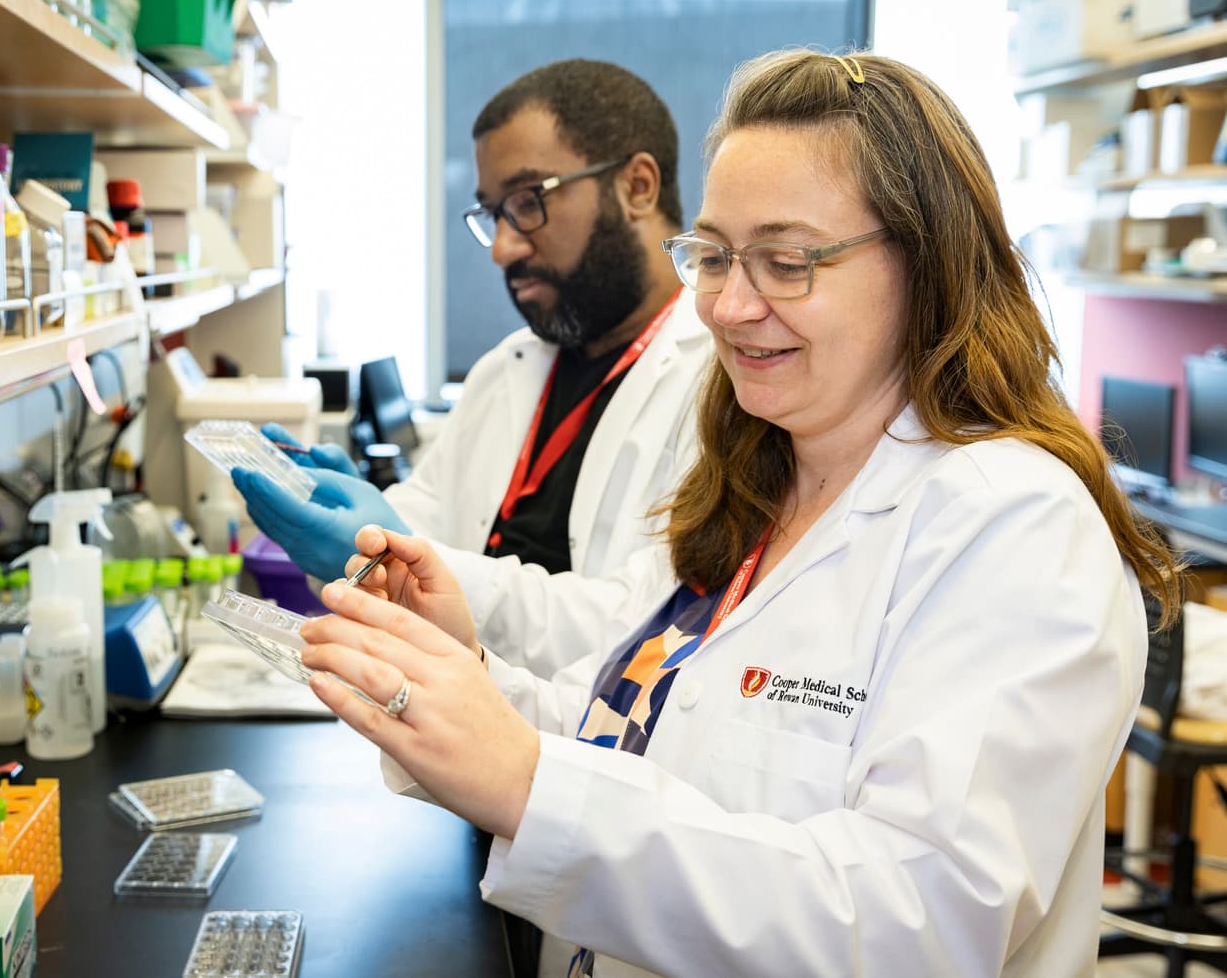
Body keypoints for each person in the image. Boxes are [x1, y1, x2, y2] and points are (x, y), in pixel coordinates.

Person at [293, 49, 1181, 977]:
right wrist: (457, 680)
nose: (726, 304)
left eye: (787, 262)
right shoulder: (755, 482)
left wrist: (524, 783)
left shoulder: (1015, 528)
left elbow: (921, 925)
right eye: (713, 256)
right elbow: (631, 724)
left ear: (927, 263)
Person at [234, 59, 710, 675]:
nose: (505, 248)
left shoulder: (720, 388)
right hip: (447, 741)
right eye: (493, 213)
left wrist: (418, 561)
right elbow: (421, 517)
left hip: (591, 760)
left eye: (528, 202)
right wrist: (355, 523)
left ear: (637, 186)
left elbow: (645, 627)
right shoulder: (504, 371)